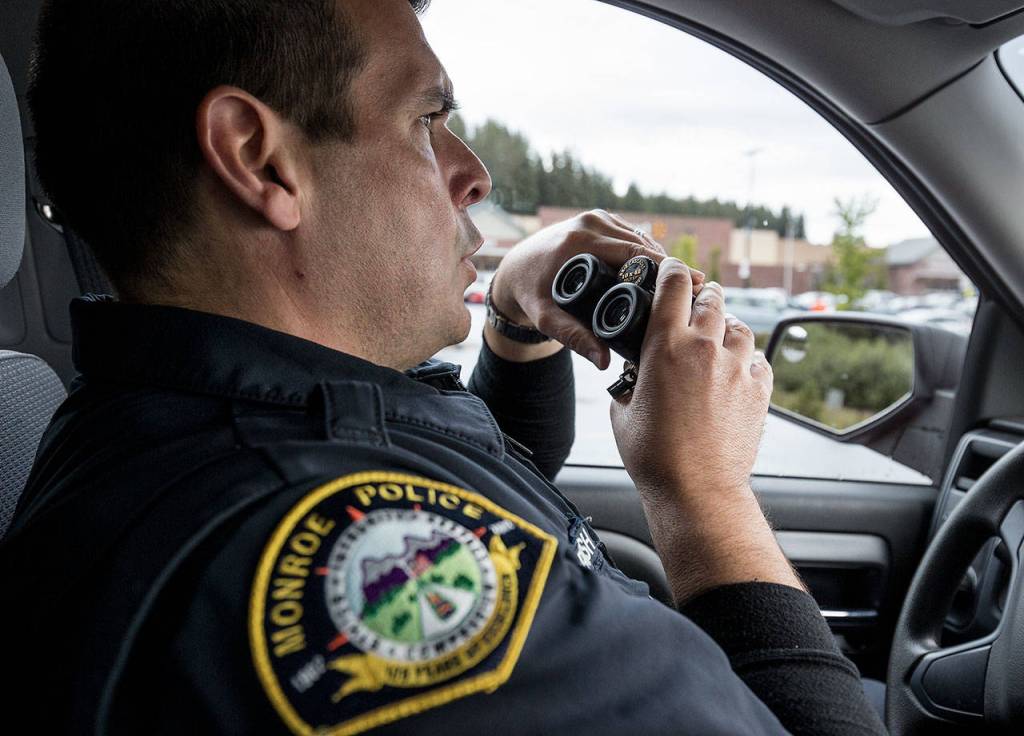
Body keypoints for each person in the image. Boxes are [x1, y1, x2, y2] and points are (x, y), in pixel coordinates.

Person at [2, 0, 886, 733]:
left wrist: (511, 318)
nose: (473, 175)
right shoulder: (328, 560)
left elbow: (476, 473)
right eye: (426, 120)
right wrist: (705, 496)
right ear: (257, 157)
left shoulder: (218, 416)